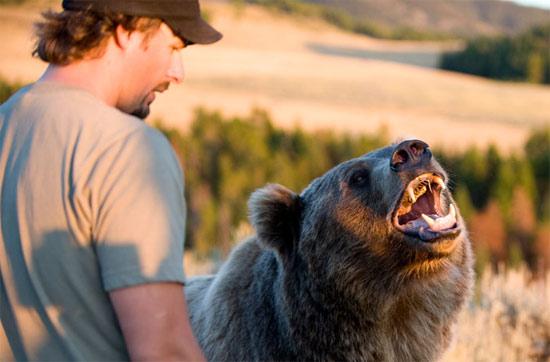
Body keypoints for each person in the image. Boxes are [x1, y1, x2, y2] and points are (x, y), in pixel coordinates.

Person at [0, 0, 221, 360]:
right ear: (127, 30)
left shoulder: (6, 125)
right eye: (173, 48)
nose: (177, 72)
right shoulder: (128, 148)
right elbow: (163, 350)